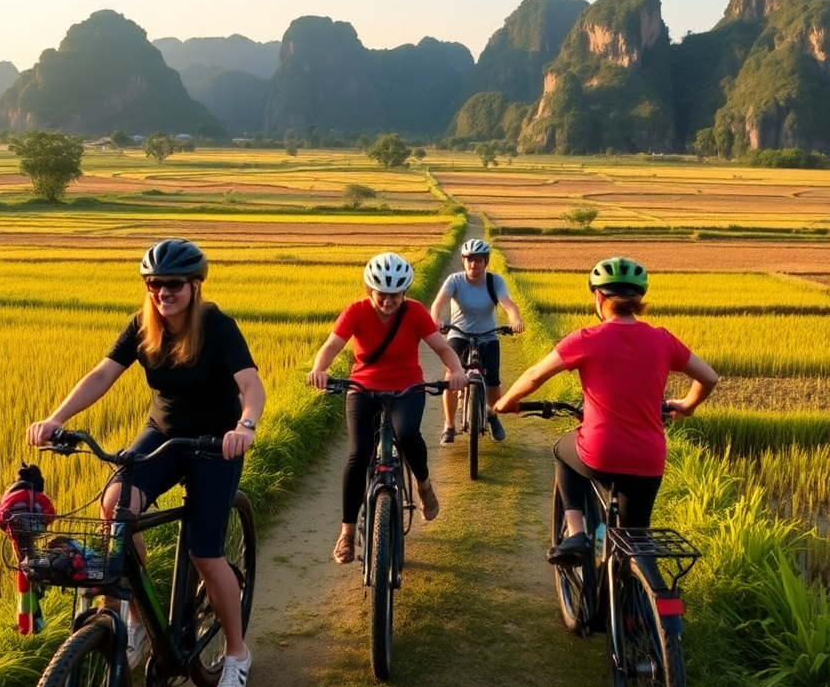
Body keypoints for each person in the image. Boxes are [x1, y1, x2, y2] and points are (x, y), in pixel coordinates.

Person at [26, 238, 265, 687]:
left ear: (194, 286)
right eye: (154, 284)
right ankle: (138, 618)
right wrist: (57, 419)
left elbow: (250, 384)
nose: (162, 292)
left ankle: (237, 653)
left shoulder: (217, 327)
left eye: (173, 284)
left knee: (205, 553)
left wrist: (245, 425)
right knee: (116, 506)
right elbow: (102, 374)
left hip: (215, 444)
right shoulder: (143, 326)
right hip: (163, 434)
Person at [494, 256, 718, 563]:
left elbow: (534, 375)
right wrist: (687, 406)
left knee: (562, 450)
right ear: (639, 299)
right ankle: (638, 598)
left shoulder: (587, 338)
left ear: (599, 297)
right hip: (648, 458)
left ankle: (576, 535)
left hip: (600, 453)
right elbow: (709, 377)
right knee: (634, 541)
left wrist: (505, 403)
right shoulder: (662, 339)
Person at [307, 252, 466, 564]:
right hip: (362, 388)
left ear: (404, 293)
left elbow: (443, 347)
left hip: (407, 388)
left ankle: (423, 485)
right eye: (382, 294)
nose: (388, 301)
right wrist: (320, 369)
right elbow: (332, 345)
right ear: (370, 291)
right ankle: (348, 533)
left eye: (395, 295)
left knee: (407, 434)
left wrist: (457, 371)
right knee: (357, 454)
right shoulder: (356, 311)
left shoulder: (416, 312)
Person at [430, 238, 524, 446]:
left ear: (486, 261)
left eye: (479, 260)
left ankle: (492, 416)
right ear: (463, 261)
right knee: (452, 377)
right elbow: (438, 303)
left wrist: (515, 319)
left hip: (488, 335)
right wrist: (436, 319)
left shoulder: (495, 281)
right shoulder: (454, 280)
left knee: (493, 381)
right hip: (459, 334)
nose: (474, 265)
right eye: (470, 260)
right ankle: (449, 425)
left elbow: (508, 304)